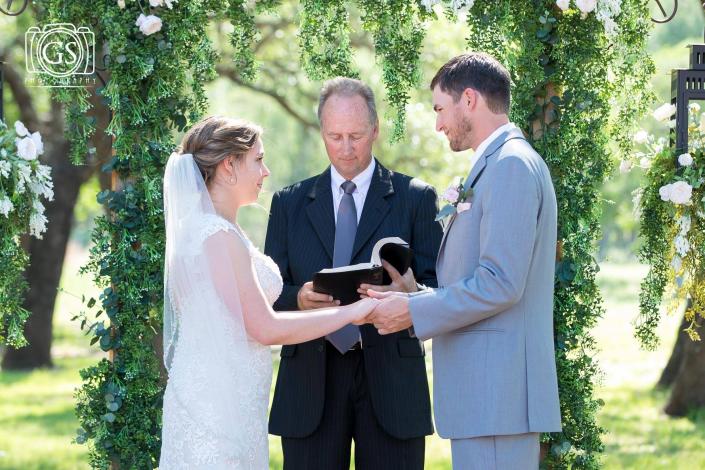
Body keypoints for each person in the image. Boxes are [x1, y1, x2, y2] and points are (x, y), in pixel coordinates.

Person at [367, 53, 562, 469]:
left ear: (469, 99)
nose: (438, 124)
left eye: (440, 108)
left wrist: (413, 311)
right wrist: (414, 293)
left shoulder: (509, 165)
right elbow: (485, 278)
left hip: (496, 397)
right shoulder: (497, 164)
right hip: (487, 399)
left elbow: (501, 283)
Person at [158, 116, 378, 469]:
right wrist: (354, 312)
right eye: (258, 160)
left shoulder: (207, 232)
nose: (266, 171)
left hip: (221, 393)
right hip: (218, 406)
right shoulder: (218, 236)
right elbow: (265, 327)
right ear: (229, 166)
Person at [265, 77, 443, 470]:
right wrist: (298, 297)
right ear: (321, 133)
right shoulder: (289, 203)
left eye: (356, 136)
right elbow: (269, 292)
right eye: (335, 136)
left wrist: (410, 290)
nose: (346, 148)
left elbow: (443, 291)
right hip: (310, 377)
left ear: (376, 129)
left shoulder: (415, 198)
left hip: (390, 378)